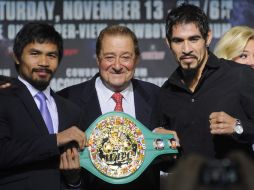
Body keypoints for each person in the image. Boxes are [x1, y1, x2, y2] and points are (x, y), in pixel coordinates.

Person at [58, 25, 163, 190]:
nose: (117, 65)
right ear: (98, 59)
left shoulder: (157, 96)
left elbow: (170, 161)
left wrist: (170, 146)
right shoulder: (67, 100)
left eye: (125, 57)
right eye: (109, 57)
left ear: (136, 59)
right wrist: (73, 181)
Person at [151, 3, 254, 159]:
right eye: (178, 41)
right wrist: (160, 147)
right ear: (168, 43)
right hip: (187, 183)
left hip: (235, 182)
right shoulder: (165, 94)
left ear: (208, 38)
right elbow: (166, 163)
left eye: (194, 39)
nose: (186, 49)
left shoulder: (239, 75)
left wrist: (238, 127)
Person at [0, 22, 86, 190]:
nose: (44, 62)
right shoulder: (3, 97)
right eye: (35, 53)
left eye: (51, 55)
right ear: (17, 57)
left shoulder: (72, 111)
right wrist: (56, 139)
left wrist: (74, 180)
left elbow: (80, 171)